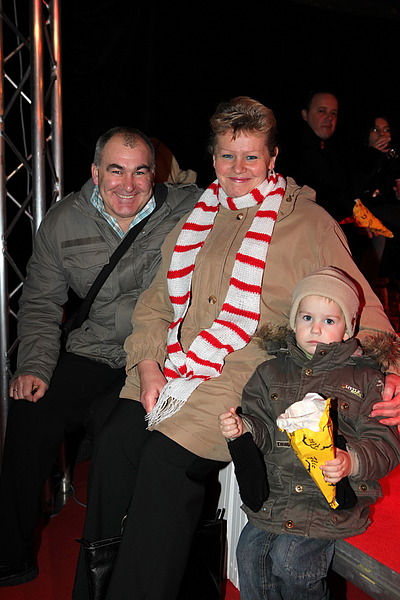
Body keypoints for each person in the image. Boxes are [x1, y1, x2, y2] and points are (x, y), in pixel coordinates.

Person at [73, 97, 400, 600]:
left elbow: (362, 305)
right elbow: (155, 302)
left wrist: (393, 371)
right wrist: (147, 364)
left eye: (252, 156)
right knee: (114, 445)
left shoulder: (309, 223)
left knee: (165, 459)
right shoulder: (196, 216)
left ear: (273, 157)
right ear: (213, 158)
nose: (239, 168)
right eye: (228, 156)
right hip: (171, 367)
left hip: (248, 379)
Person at [0, 126, 201, 587]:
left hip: (159, 354)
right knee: (31, 412)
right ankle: (10, 555)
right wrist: (34, 366)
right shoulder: (62, 222)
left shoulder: (189, 209)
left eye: (139, 172)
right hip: (94, 350)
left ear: (155, 174)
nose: (128, 185)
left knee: (117, 440)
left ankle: (104, 568)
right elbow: (41, 303)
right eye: (115, 171)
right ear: (95, 172)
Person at [219, 267, 400, 600]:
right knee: (248, 554)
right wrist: (244, 428)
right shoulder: (269, 372)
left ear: (349, 328)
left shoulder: (366, 378)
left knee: (292, 562)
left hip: (328, 501)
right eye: (307, 317)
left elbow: (385, 444)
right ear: (293, 321)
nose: (316, 328)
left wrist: (352, 460)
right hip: (275, 495)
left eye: (329, 320)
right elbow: (263, 427)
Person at [287, 89, 355, 224]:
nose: (329, 118)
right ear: (305, 115)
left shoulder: (335, 150)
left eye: (334, 113)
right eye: (322, 111)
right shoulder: (293, 151)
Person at [350, 114, 400, 289]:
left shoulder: (392, 158)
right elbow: (355, 188)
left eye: (386, 130)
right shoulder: (359, 156)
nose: (382, 135)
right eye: (375, 130)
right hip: (361, 209)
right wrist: (374, 155)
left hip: (384, 210)